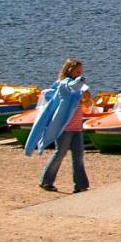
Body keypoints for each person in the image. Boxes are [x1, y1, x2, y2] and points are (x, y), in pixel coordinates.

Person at [39, 59, 92, 193]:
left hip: (77, 127)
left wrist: (86, 98)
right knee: (60, 153)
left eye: (81, 71)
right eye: (77, 71)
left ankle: (80, 185)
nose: (80, 74)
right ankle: (46, 181)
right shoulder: (63, 85)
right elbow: (60, 95)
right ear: (70, 70)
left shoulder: (80, 86)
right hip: (64, 128)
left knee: (78, 156)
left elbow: (85, 101)